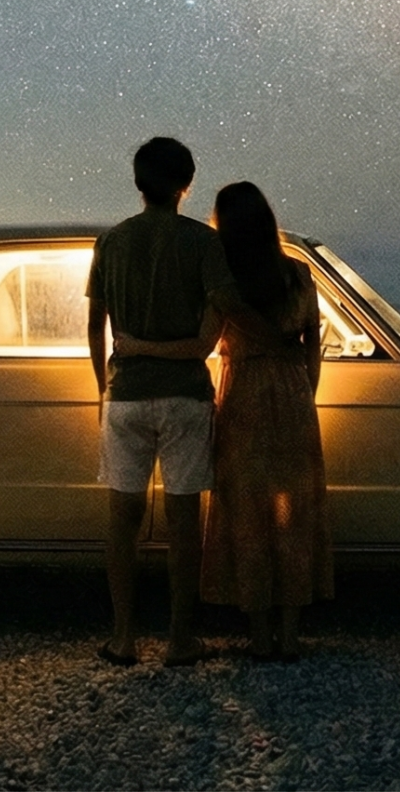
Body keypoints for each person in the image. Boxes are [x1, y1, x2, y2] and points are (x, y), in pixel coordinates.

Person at [86, 136, 237, 667]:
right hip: (184, 396)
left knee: (122, 519)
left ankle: (123, 637)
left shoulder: (111, 242)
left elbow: (95, 325)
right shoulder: (203, 243)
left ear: (137, 184)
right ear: (186, 185)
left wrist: (102, 386)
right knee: (182, 519)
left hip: (125, 392)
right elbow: (219, 316)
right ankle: (179, 638)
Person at [198, 180, 332, 660]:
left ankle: (257, 634)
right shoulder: (298, 274)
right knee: (293, 512)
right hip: (294, 395)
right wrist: (304, 392)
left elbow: (208, 340)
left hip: (244, 395)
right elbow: (313, 346)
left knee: (248, 514)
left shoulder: (224, 280)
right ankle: (291, 634)